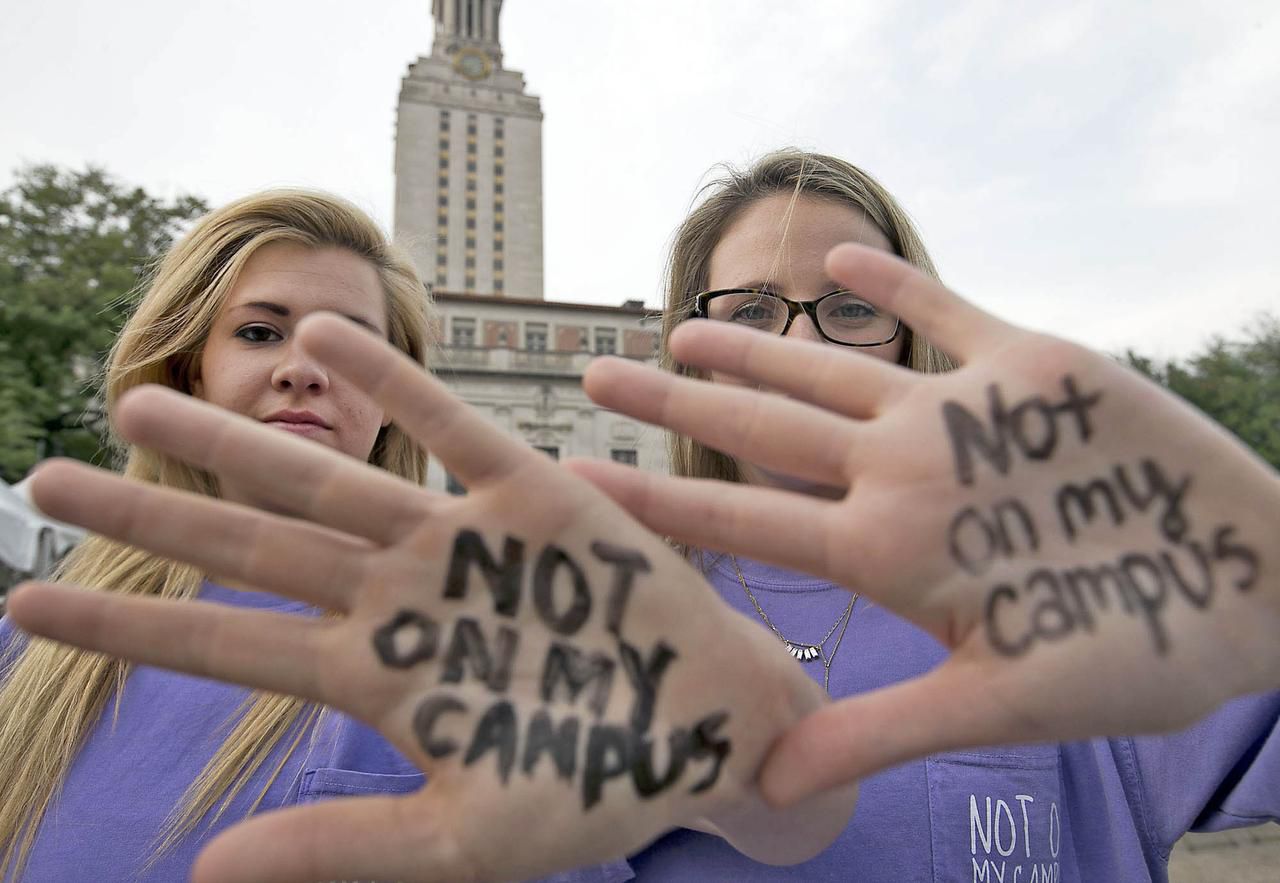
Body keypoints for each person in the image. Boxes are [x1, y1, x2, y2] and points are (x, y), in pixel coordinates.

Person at [7, 152, 1280, 883]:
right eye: (742, 308)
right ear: (680, 345)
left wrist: (1258, 568)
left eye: (845, 305)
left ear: (915, 328)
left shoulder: (1067, 591)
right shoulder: (580, 613)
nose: (794, 342)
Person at [0, 189, 853, 881]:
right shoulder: (36, 642)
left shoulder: (494, 628)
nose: (302, 365)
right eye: (259, 331)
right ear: (189, 367)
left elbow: (783, 804)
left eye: (356, 347)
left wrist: (724, 700)